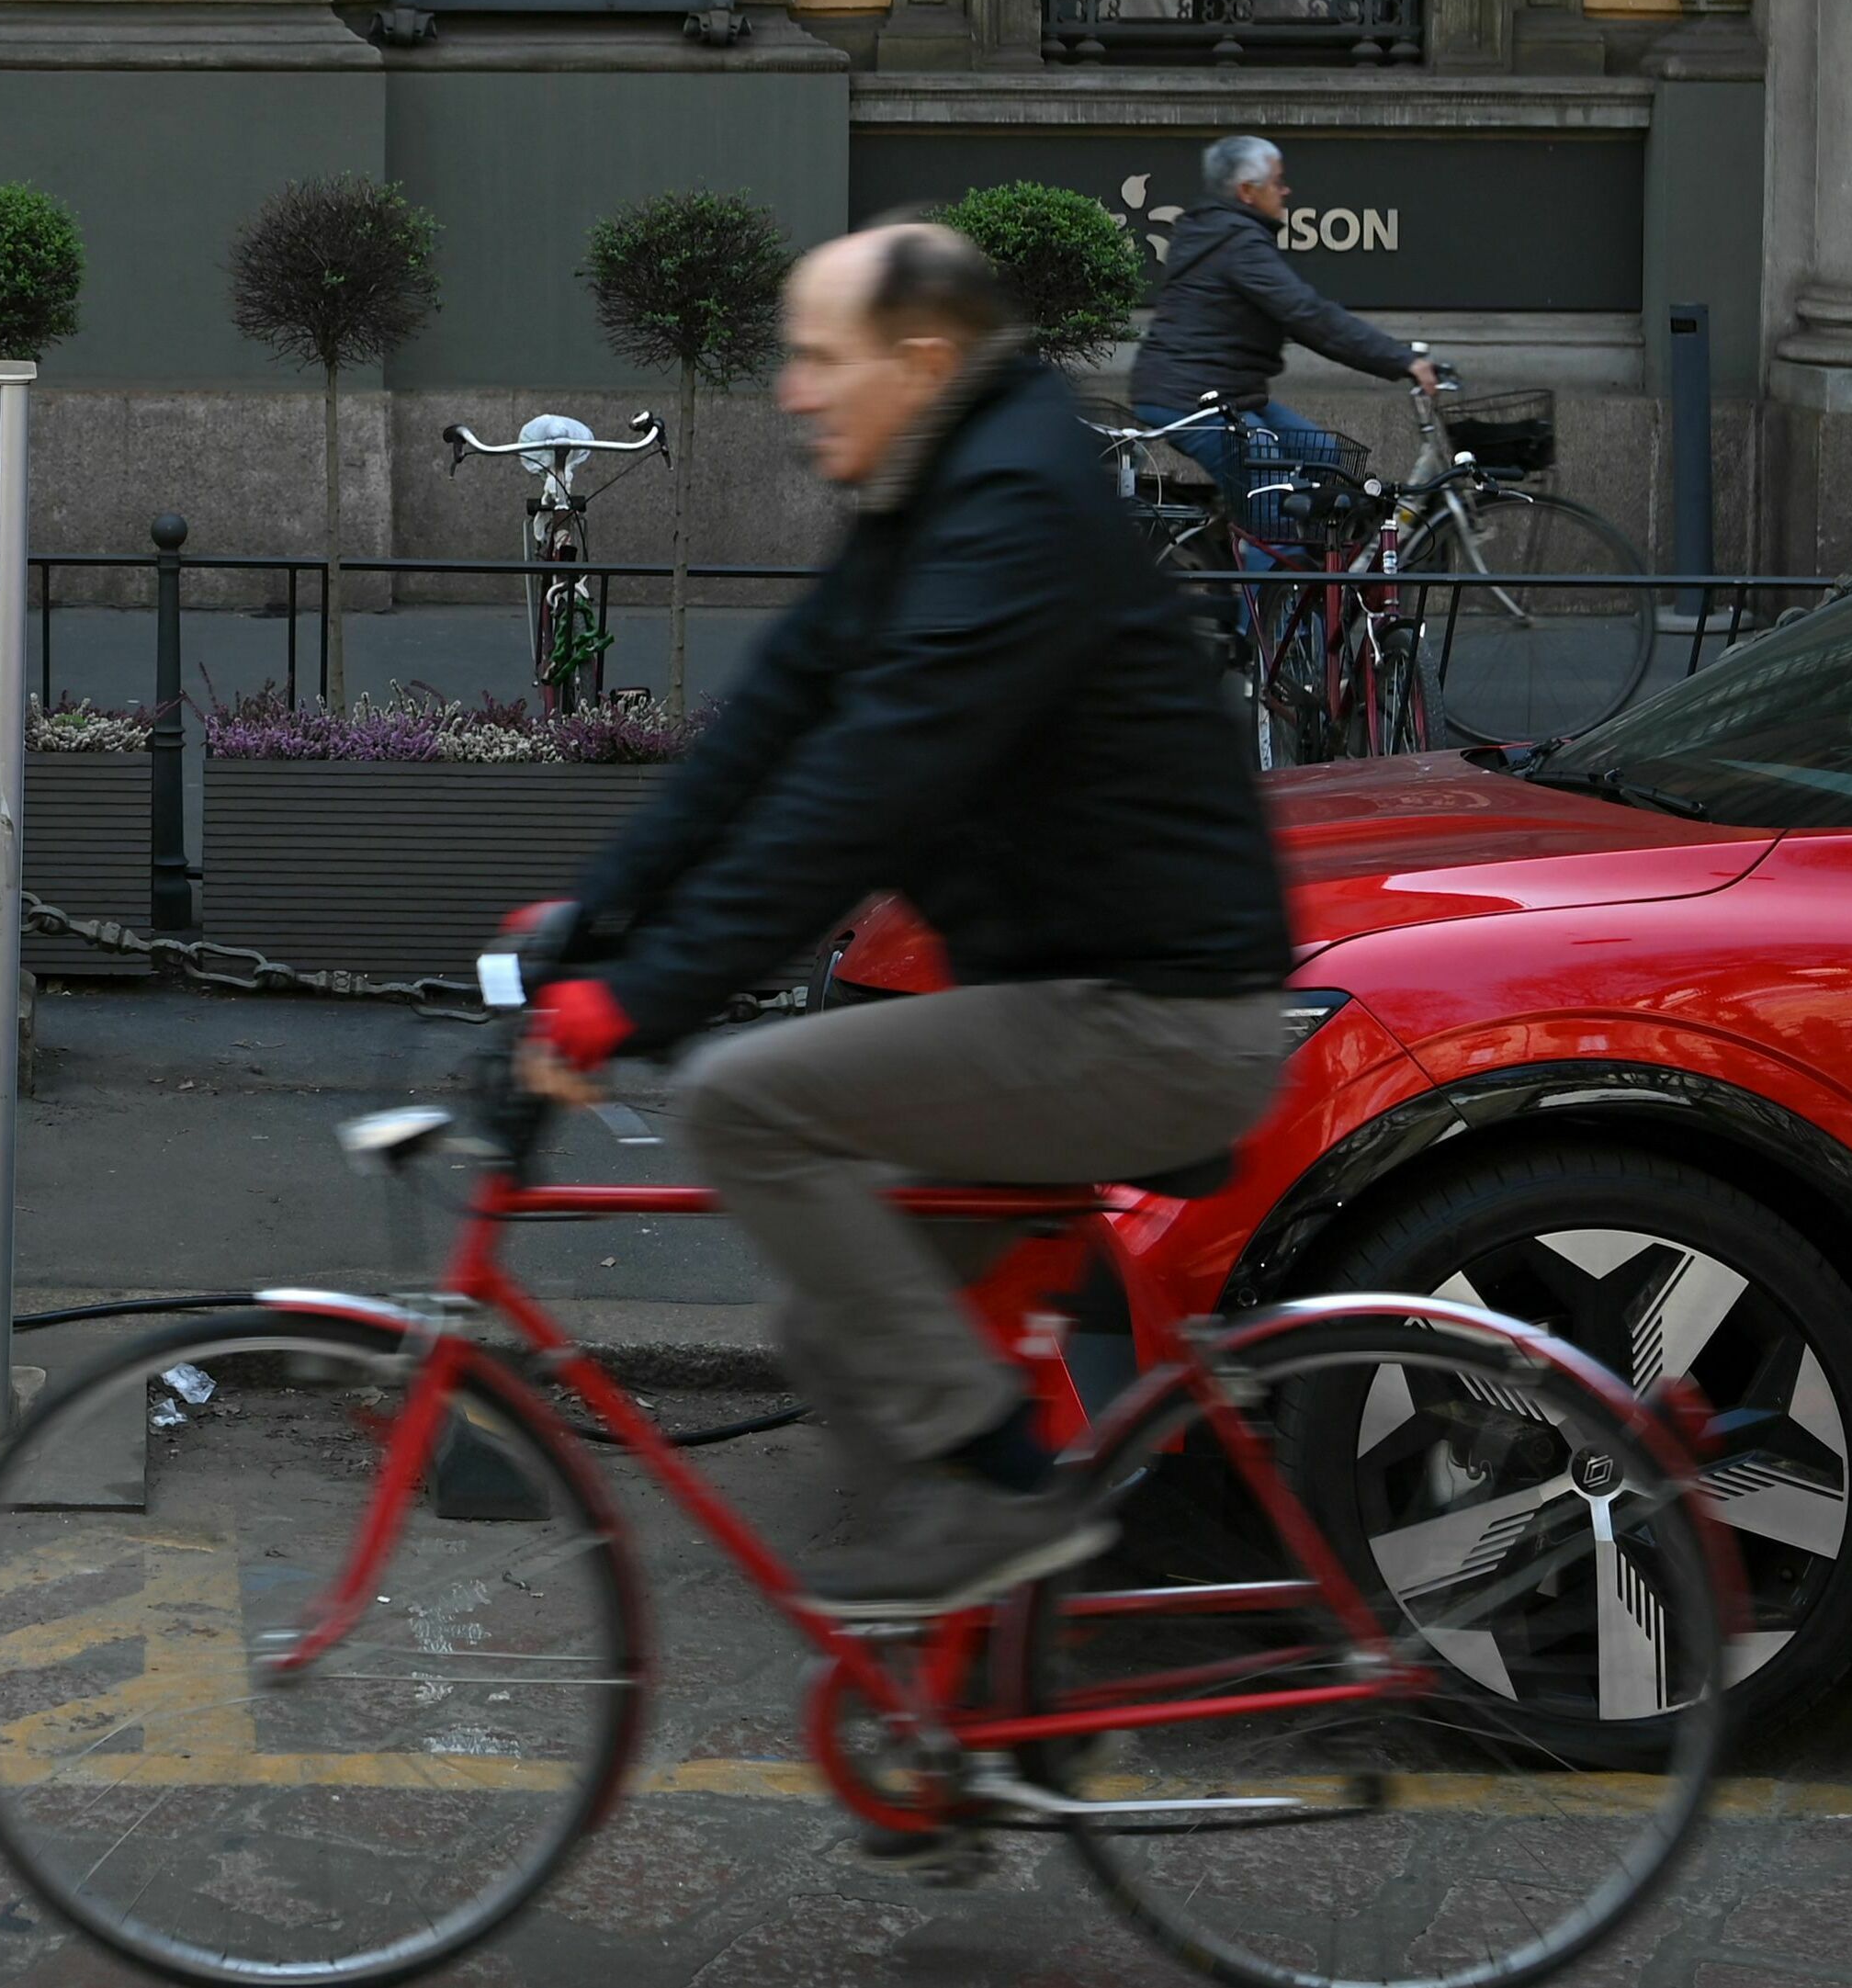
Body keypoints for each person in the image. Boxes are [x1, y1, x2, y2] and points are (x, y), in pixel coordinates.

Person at [518, 221, 1295, 1616]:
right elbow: (769, 722)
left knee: (743, 1104)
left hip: (1151, 1018)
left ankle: (1004, 1495)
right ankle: (969, 1720)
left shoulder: (1010, 513)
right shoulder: (932, 485)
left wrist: (640, 1001)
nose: (791, 392)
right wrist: (601, 913)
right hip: (1081, 987)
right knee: (836, 1336)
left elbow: (860, 791)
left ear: (919, 359)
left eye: (818, 359)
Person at [1124, 135, 1445, 543]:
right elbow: (1307, 314)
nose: (1286, 190)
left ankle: (1285, 565)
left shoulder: (1218, 231)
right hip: (1189, 398)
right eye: (1277, 182)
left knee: (1322, 456)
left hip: (1229, 394)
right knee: (1272, 505)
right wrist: (1402, 361)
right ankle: (1273, 588)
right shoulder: (1237, 243)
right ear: (1247, 191)